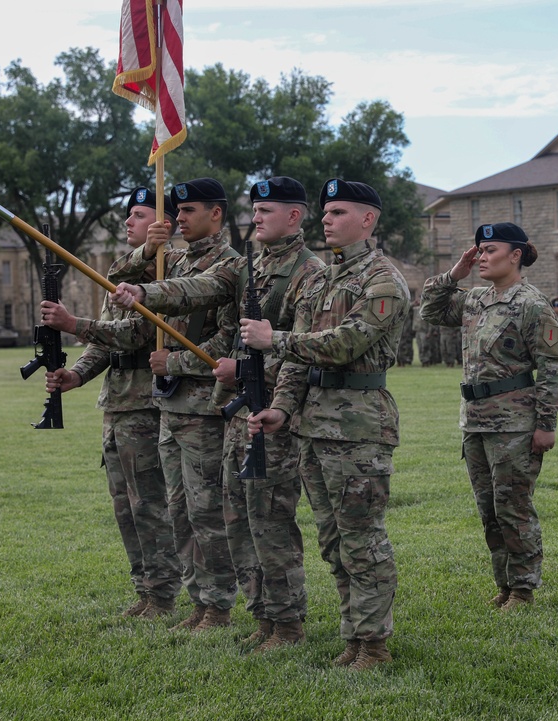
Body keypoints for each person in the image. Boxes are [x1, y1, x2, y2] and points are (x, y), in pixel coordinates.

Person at [112, 176, 324, 652]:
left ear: (294, 216)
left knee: (270, 521)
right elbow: (199, 288)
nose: (257, 218)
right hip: (238, 411)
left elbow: (303, 347)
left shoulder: (311, 273)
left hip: (275, 409)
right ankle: (264, 618)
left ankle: (287, 623)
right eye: (255, 210)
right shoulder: (249, 267)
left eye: (266, 211)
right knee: (238, 521)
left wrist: (231, 367)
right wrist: (147, 294)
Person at [241, 179, 410, 671]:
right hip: (314, 425)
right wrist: (283, 408)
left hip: (359, 424)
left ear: (368, 220)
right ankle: (354, 639)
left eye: (337, 212)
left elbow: (344, 343)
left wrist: (276, 339)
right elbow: (297, 362)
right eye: (325, 212)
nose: (327, 221)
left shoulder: (383, 280)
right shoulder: (320, 281)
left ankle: (374, 645)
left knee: (363, 538)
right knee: (334, 541)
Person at [40, 187, 181, 618]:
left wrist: (73, 323)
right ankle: (144, 590)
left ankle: (163, 592)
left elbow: (136, 335)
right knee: (124, 506)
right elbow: (106, 339)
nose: (128, 222)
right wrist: (77, 374)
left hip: (146, 404)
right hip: (117, 403)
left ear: (163, 225)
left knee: (149, 503)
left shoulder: (167, 270)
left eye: (139, 215)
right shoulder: (120, 274)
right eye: (129, 215)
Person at [108, 177, 240, 632]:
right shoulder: (174, 258)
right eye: (176, 213)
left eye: (187, 212)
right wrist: (148, 253)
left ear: (215, 214)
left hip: (205, 406)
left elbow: (226, 336)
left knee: (207, 510)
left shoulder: (231, 264)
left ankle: (219, 605)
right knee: (179, 510)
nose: (177, 219)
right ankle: (198, 601)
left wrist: (176, 361)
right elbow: (115, 279)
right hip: (171, 406)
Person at [420, 222, 558, 610]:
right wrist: (455, 273)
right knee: (489, 510)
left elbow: (551, 367)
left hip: (514, 423)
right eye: (479, 250)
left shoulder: (531, 303)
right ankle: (504, 583)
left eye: (490, 250)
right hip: (475, 420)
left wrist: (547, 424)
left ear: (515, 255)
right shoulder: (475, 299)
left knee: (513, 507)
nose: (482, 256)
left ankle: (523, 587)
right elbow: (430, 309)